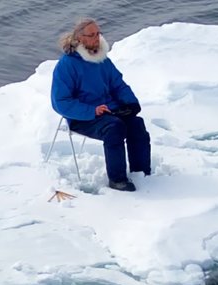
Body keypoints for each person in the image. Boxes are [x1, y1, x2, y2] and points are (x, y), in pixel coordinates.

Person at [50, 18, 152, 192]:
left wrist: (131, 102)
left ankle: (141, 172)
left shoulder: (102, 59)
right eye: (92, 35)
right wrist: (92, 111)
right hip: (83, 117)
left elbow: (118, 84)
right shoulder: (67, 65)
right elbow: (60, 102)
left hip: (109, 111)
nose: (97, 38)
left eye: (98, 33)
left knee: (136, 124)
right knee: (114, 128)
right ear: (79, 38)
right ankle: (117, 180)